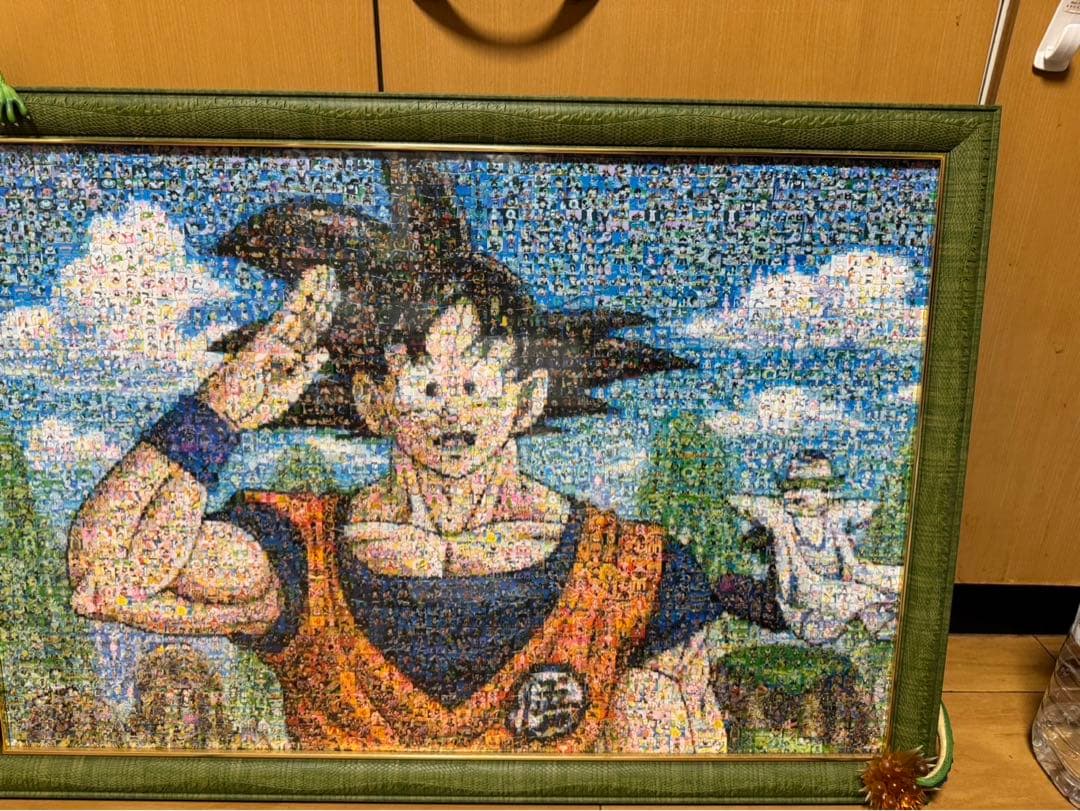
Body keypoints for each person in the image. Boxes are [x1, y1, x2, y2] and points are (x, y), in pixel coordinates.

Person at [68, 166, 784, 754]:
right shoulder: (298, 555)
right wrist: (219, 409)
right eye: (427, 386)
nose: (452, 413)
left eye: (476, 384)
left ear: (527, 399)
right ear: (374, 402)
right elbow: (105, 573)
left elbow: (678, 778)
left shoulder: (635, 573)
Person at [730, 450, 901, 644]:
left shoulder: (830, 521)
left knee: (889, 584)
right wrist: (859, 594)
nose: (792, 494)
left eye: (824, 487)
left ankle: (884, 621)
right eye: (790, 487)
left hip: (836, 595)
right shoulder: (785, 525)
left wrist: (890, 578)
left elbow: (853, 568)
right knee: (864, 598)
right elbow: (796, 591)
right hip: (807, 607)